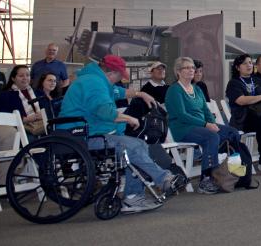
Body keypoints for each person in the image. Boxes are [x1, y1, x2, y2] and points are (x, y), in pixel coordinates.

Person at [58, 54, 184, 214]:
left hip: (88, 132)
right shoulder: (94, 83)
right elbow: (104, 111)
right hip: (81, 137)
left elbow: (118, 92)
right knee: (132, 146)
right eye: (119, 76)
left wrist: (140, 94)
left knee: (137, 144)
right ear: (112, 73)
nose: (119, 79)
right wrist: (129, 118)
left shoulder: (96, 80)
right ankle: (162, 180)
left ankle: (134, 194)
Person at [165, 57, 240, 194]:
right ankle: (205, 179)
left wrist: (211, 123)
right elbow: (182, 115)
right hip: (183, 128)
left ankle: (234, 170)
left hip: (202, 126)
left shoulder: (197, 89)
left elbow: (205, 110)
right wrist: (206, 124)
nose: (191, 70)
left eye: (192, 67)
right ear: (178, 72)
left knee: (232, 133)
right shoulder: (174, 90)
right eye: (187, 68)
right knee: (211, 137)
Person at [0, 65, 46, 137]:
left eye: (27, 75)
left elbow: (46, 108)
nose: (25, 78)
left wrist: (43, 114)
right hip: (19, 130)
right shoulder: (5, 95)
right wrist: (24, 119)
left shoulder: (36, 92)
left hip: (40, 126)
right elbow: (2, 115)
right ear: (13, 78)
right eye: (21, 76)